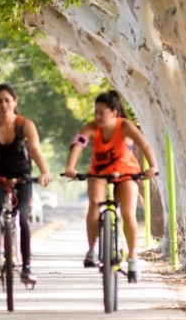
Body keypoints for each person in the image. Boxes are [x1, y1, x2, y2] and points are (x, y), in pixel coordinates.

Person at [61, 90, 156, 279]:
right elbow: (77, 146)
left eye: (101, 113)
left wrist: (152, 166)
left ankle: (132, 257)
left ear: (114, 113)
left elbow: (145, 145)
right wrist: (70, 167)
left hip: (126, 174)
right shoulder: (90, 128)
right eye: (95, 112)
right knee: (94, 204)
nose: (97, 116)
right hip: (99, 173)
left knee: (128, 213)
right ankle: (91, 250)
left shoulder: (125, 126)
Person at [0, 83, 52, 284]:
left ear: (15, 102)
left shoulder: (25, 125)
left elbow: (35, 150)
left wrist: (44, 171)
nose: (4, 105)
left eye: (7, 100)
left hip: (21, 175)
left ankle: (27, 266)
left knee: (21, 216)